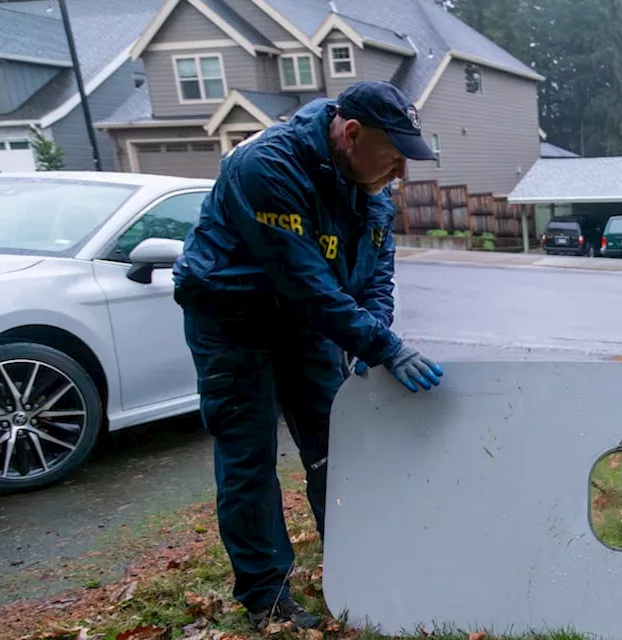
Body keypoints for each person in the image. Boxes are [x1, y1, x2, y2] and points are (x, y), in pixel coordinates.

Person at [172, 81, 446, 630]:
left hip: (307, 321)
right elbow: (305, 281)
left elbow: (376, 275)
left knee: (335, 448)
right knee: (249, 457)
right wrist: (383, 346)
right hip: (233, 317)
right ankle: (266, 596)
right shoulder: (265, 166)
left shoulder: (370, 189)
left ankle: (355, 565)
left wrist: (375, 335)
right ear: (351, 134)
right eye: (394, 158)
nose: (400, 175)